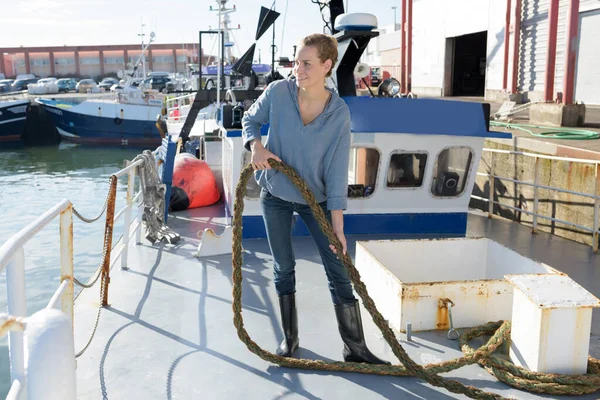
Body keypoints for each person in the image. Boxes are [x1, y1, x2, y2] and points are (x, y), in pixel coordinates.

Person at [242, 33, 389, 365]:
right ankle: (289, 340)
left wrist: (338, 226)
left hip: (317, 201)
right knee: (283, 267)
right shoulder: (278, 93)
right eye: (296, 61)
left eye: (306, 63)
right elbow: (250, 119)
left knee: (337, 267)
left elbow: (337, 172)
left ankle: (355, 348)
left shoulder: (339, 114)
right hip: (276, 194)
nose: (298, 69)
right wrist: (257, 146)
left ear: (326, 66)